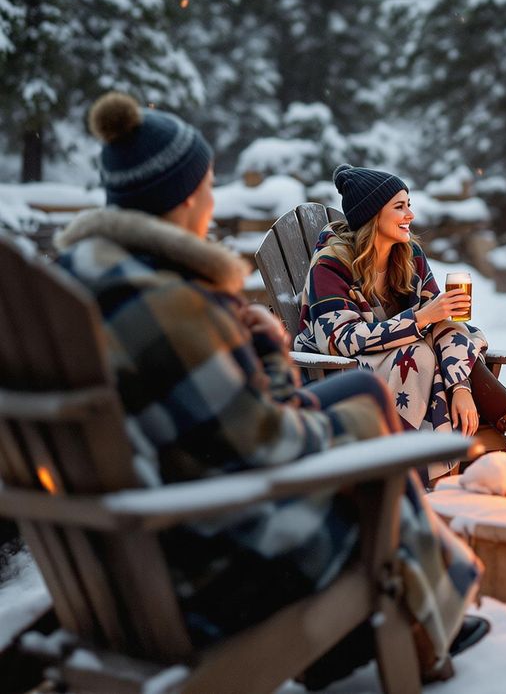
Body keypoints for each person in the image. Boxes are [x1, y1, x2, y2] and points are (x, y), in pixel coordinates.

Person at [56, 92, 483, 684]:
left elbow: (217, 421)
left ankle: (427, 599)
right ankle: (431, 607)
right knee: (361, 421)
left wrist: (262, 354)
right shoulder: (170, 304)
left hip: (108, 550)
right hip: (209, 565)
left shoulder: (71, 286)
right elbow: (270, 445)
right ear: (183, 200)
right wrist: (339, 424)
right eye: (207, 185)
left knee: (358, 398)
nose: (211, 200)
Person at [296, 164, 506, 476]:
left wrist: (460, 385)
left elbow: (444, 324)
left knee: (448, 332)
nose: (410, 215)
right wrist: (420, 319)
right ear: (372, 215)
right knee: (421, 350)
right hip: (345, 376)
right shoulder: (330, 266)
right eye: (400, 207)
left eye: (410, 205)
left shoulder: (409, 257)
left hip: (400, 362)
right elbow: (339, 339)